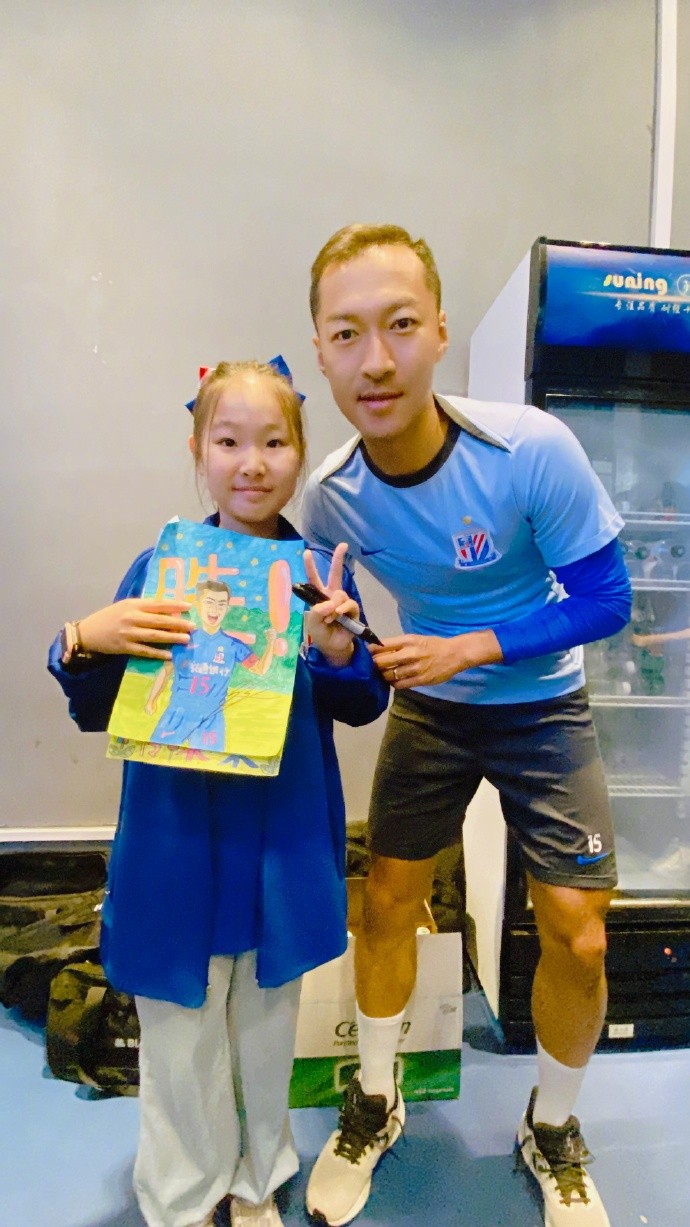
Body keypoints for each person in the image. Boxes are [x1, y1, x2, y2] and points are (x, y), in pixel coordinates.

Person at [301, 225, 632, 1227]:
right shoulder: (329, 498)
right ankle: (375, 1096)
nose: (377, 359)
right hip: (431, 711)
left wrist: (473, 646)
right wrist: (343, 647)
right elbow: (347, 656)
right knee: (384, 903)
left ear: (439, 332)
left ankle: (553, 1126)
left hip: (542, 704)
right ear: (321, 352)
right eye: (348, 333)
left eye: (400, 325)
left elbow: (607, 600)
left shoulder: (529, 450)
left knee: (579, 935)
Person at [48, 359, 389, 1227]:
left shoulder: (316, 572)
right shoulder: (161, 568)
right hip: (176, 839)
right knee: (178, 1031)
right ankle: (181, 1195)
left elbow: (362, 699)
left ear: (300, 453)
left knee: (266, 1031)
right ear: (198, 450)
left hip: (277, 841)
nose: (252, 463)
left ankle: (257, 1179)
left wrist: (339, 650)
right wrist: (85, 638)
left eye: (273, 442)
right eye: (229, 441)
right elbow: (100, 706)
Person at [145, 578, 276, 750]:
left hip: (211, 720)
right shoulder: (183, 640)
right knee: (156, 756)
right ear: (198, 604)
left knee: (210, 763)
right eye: (209, 602)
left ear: (227, 608)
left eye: (221, 604)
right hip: (177, 713)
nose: (215, 609)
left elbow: (260, 669)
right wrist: (152, 700)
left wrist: (271, 643)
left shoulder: (233, 646)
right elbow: (166, 671)